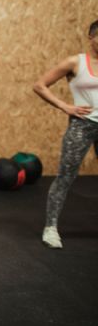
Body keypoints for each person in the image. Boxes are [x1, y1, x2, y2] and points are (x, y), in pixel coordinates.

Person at [33, 19, 98, 249]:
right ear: (91, 37)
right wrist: (66, 106)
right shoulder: (75, 62)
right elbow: (40, 85)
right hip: (82, 125)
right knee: (65, 177)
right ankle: (50, 228)